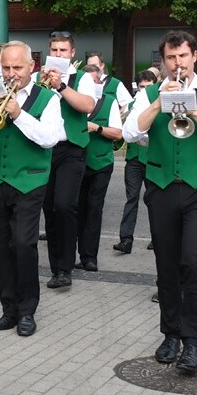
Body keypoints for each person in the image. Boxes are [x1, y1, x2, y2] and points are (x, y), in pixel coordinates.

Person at [123, 30, 197, 373]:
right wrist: (159, 101)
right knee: (167, 265)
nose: (178, 63)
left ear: (194, 57)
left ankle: (192, 343)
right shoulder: (149, 94)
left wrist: (194, 108)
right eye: (171, 58)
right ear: (163, 61)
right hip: (160, 186)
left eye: (183, 57)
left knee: (194, 261)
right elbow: (130, 133)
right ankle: (171, 334)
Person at [0, 42, 61, 336]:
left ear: (31, 66)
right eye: (6, 67)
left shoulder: (48, 98)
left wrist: (18, 114)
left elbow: (50, 138)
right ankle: (8, 307)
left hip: (29, 181)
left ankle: (27, 310)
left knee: (23, 243)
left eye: (17, 67)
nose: (11, 74)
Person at [37, 31, 96, 290]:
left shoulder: (82, 78)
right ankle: (56, 268)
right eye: (55, 51)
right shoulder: (39, 79)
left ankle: (66, 266)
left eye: (63, 51)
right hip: (44, 148)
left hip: (72, 148)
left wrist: (60, 85)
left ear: (72, 53)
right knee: (49, 209)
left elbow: (87, 106)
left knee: (64, 205)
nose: (58, 55)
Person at [74, 64, 122, 272]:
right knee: (75, 209)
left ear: (100, 83)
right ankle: (71, 253)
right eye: (87, 81)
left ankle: (89, 256)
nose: (91, 85)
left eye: (94, 81)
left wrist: (98, 128)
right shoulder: (73, 102)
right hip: (75, 163)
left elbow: (118, 134)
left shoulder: (109, 103)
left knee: (94, 209)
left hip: (100, 163)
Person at [113, 71, 157, 254]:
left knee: (155, 201)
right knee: (131, 199)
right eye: (141, 87)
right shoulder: (132, 105)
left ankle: (158, 237)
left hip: (153, 158)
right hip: (133, 158)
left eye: (148, 87)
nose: (144, 90)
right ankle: (126, 239)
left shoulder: (160, 103)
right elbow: (124, 130)